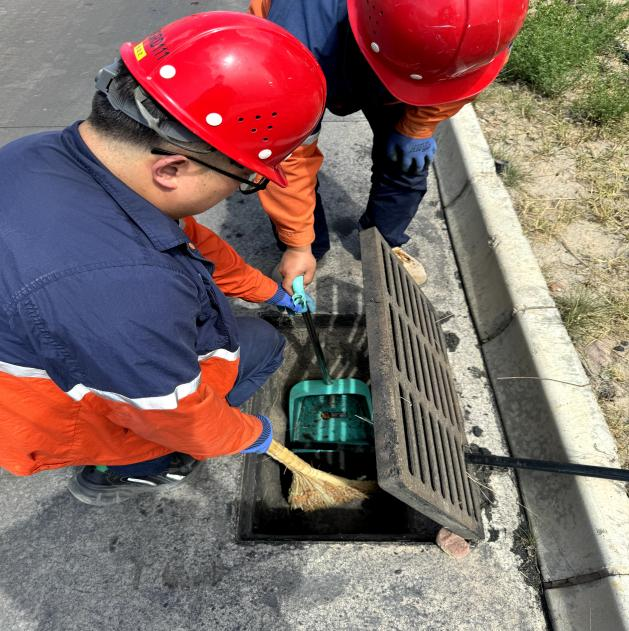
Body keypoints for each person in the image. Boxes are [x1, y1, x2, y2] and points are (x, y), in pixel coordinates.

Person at [0, 12, 325, 505]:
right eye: (246, 179)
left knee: (249, 333)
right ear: (172, 168)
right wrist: (246, 433)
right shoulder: (124, 289)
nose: (240, 188)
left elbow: (189, 240)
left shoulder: (45, 154)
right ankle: (129, 466)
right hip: (43, 415)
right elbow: (173, 414)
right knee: (261, 347)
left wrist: (269, 292)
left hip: (50, 356)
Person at [248, 0, 528, 288]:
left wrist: (418, 127)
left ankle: (383, 243)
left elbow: (464, 79)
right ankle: (305, 251)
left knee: (406, 164)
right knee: (285, 160)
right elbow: (285, 156)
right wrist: (297, 244)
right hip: (312, 52)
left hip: (400, 52)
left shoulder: (491, 25)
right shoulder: (292, 42)